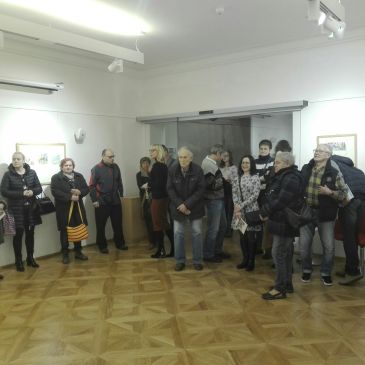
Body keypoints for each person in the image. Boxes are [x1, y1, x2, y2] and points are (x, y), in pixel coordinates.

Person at [300, 144, 347, 286]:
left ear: (328, 155)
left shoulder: (334, 173)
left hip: (325, 213)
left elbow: (344, 194)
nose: (317, 153)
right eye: (316, 150)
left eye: (321, 151)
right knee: (303, 245)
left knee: (329, 246)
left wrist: (330, 192)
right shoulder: (306, 169)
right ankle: (306, 270)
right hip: (306, 210)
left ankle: (326, 273)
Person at [260, 152, 304, 300]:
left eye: (277, 163)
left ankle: (279, 288)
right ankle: (287, 284)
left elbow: (281, 201)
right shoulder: (284, 176)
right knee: (284, 253)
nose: (275, 165)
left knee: (278, 253)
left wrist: (265, 210)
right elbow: (273, 195)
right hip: (280, 220)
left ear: (286, 164)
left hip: (285, 222)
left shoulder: (291, 177)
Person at [1, 151, 42, 271]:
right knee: (18, 235)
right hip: (15, 210)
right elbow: (3, 191)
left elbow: (38, 187)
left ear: (23, 160)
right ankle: (18, 261)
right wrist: (21, 193)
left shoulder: (32, 172)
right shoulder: (8, 175)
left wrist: (32, 192)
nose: (15, 161)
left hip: (31, 209)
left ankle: (30, 258)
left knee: (30, 234)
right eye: (14, 159)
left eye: (18, 159)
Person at [167, 147, 205, 271]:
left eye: (185, 157)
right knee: (178, 233)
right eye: (180, 157)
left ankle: (198, 261)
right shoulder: (172, 170)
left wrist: (187, 205)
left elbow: (200, 190)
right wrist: (181, 205)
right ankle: (180, 261)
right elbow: (170, 189)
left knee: (197, 233)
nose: (182, 160)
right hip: (178, 207)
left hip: (195, 207)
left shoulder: (198, 170)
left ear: (191, 158)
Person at [331, 154, 365, 282]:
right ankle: (349, 267)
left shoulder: (334, 164)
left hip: (350, 201)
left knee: (348, 236)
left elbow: (340, 185)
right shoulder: (357, 170)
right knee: (354, 235)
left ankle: (353, 271)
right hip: (363, 202)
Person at [51, 158, 89, 264]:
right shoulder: (56, 178)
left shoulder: (79, 176)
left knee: (78, 229)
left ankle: (78, 252)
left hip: (77, 208)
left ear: (73, 166)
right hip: (63, 209)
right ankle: (65, 254)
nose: (68, 167)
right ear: (61, 167)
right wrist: (70, 197)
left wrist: (80, 192)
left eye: (70, 165)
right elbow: (55, 192)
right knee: (65, 231)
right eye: (65, 165)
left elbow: (86, 188)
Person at [89, 149, 128, 254]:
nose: (112, 158)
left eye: (113, 156)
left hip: (115, 201)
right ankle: (102, 245)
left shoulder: (116, 167)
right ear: (103, 156)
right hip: (101, 202)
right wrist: (94, 200)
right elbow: (91, 186)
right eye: (110, 157)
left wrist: (122, 195)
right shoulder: (96, 169)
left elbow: (119, 181)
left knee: (118, 224)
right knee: (101, 225)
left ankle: (120, 243)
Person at [262, 139, 293, 260]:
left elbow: (282, 198)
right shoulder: (272, 170)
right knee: (274, 240)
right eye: (277, 155)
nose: (277, 159)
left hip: (284, 213)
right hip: (273, 210)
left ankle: (285, 270)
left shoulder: (292, 176)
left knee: (284, 244)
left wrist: (267, 209)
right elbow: (270, 190)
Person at [232, 155, 261, 271]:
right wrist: (237, 208)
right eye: (243, 162)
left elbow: (255, 195)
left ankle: (251, 261)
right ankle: (244, 259)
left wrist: (241, 206)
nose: (244, 165)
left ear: (251, 164)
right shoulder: (236, 178)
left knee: (251, 237)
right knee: (242, 236)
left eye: (247, 163)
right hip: (239, 213)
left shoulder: (255, 177)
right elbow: (234, 194)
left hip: (251, 211)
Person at [201, 144, 228, 262]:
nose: (222, 157)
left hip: (218, 199)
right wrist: (223, 182)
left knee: (223, 226)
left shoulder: (212, 164)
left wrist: (222, 181)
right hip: (213, 200)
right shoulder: (207, 164)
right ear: (217, 154)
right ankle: (208, 254)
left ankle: (217, 250)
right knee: (214, 228)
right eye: (222, 155)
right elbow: (208, 185)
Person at [149, 144, 174, 258]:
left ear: (158, 152)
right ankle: (173, 249)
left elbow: (158, 184)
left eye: (153, 150)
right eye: (150, 150)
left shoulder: (157, 166)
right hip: (163, 197)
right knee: (164, 223)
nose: (151, 152)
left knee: (157, 224)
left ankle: (161, 250)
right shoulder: (163, 166)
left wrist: (148, 184)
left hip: (158, 198)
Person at [255, 139, 274, 255]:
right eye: (261, 148)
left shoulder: (273, 162)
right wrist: (262, 177)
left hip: (267, 196)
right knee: (256, 221)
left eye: (265, 149)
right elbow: (251, 177)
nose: (263, 150)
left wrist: (259, 177)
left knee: (267, 222)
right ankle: (257, 247)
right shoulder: (254, 161)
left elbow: (270, 177)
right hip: (255, 195)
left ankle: (268, 249)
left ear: (270, 150)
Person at [136, 156, 155, 249]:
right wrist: (148, 185)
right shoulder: (138, 175)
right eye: (143, 163)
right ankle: (151, 241)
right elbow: (141, 186)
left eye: (147, 163)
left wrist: (148, 185)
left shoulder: (153, 173)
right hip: (145, 200)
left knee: (155, 221)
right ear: (141, 164)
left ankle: (158, 240)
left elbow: (155, 185)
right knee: (148, 221)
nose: (145, 165)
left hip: (154, 199)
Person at [220, 150, 237, 238]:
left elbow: (236, 181)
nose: (225, 157)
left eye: (226, 155)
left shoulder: (234, 168)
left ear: (230, 156)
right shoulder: (220, 168)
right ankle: (223, 230)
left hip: (230, 192)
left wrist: (229, 180)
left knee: (229, 212)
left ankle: (229, 230)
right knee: (223, 212)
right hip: (222, 192)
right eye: (223, 155)